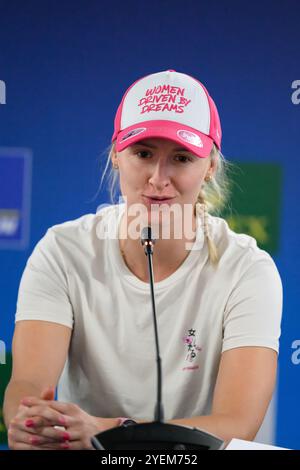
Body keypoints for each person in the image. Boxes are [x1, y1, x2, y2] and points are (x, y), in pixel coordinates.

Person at [3, 69, 282, 450]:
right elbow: (28, 389)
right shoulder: (62, 251)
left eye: (182, 158)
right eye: (143, 153)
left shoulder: (247, 269)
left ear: (210, 167)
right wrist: (34, 424)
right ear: (117, 156)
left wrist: (110, 433)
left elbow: (237, 425)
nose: (157, 177)